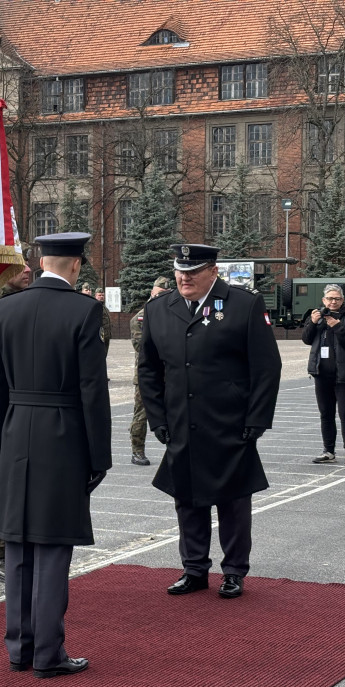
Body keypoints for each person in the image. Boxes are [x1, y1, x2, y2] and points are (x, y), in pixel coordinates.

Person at [0, 232, 112, 679]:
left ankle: (19, 647)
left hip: (18, 432)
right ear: (76, 265)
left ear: (40, 260)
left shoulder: (5, 308)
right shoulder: (84, 310)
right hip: (63, 436)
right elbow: (93, 391)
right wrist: (99, 456)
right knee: (54, 547)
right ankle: (49, 653)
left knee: (18, 544)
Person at [138, 244, 281, 600]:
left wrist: (257, 418)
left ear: (213, 271)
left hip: (229, 421)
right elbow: (149, 370)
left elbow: (266, 367)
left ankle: (233, 571)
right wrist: (157, 417)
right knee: (187, 498)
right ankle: (194, 568)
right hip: (181, 421)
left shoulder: (243, 305)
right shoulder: (159, 308)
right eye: (179, 270)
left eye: (193, 271)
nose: (184, 277)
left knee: (233, 500)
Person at [0, 259, 32, 582]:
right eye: (19, 267)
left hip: (21, 409)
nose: (27, 271)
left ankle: (12, 546)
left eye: (30, 266)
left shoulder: (25, 306)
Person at [302, 284, 345, 466]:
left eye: (337, 298)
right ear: (323, 300)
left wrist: (338, 327)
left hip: (344, 375)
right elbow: (306, 339)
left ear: (342, 300)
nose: (333, 302)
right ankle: (328, 451)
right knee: (326, 414)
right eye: (329, 298)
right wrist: (312, 323)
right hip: (322, 373)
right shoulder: (318, 317)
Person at [129, 276, 171, 465]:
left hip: (170, 374)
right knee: (142, 414)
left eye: (166, 294)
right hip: (146, 376)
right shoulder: (141, 317)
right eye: (159, 293)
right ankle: (137, 450)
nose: (162, 297)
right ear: (152, 292)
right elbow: (141, 346)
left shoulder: (171, 314)